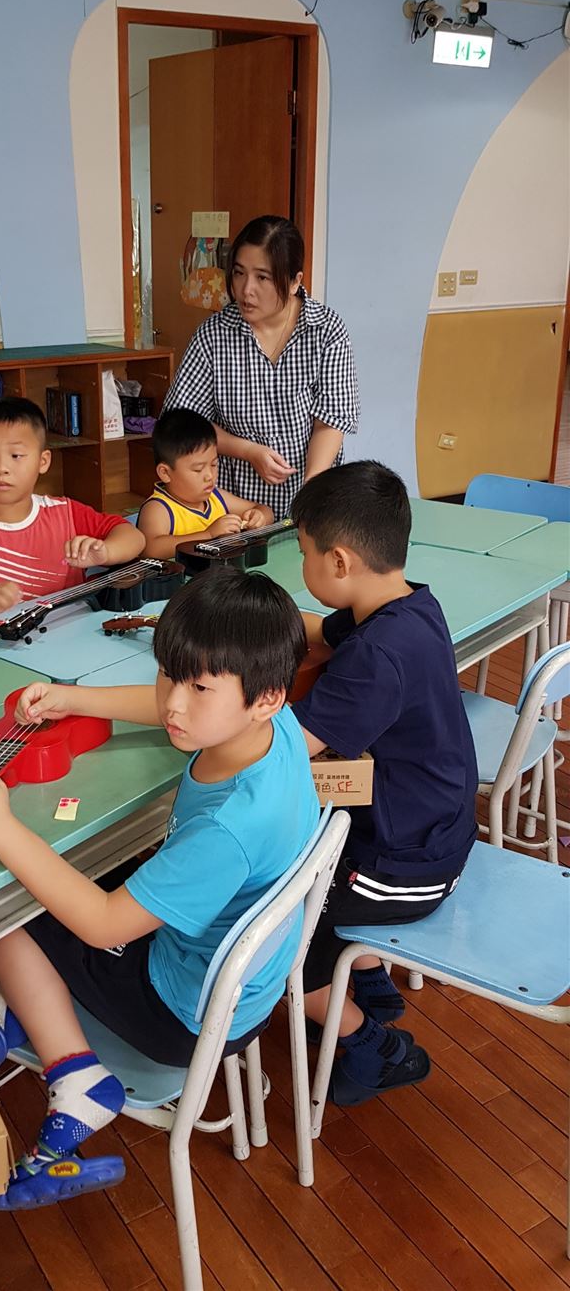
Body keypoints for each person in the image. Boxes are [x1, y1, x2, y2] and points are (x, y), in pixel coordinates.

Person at [0, 567, 319, 1210]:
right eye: (168, 675)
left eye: (199, 688)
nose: (173, 703)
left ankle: (77, 1082)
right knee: (64, 878)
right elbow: (172, 708)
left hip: (178, 1013)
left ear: (264, 698)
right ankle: (5, 1009)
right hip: (236, 983)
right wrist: (74, 700)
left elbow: (104, 924)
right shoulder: (272, 725)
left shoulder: (231, 827)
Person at [289, 461, 478, 1106]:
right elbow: (318, 633)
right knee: (305, 858)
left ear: (339, 560)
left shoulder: (375, 656)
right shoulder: (407, 607)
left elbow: (286, 751)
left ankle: (375, 1049)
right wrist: (248, 621)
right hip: (433, 830)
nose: (303, 567)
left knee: (276, 935)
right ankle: (367, 980)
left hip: (405, 866)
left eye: (304, 554)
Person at [162, 215, 359, 520]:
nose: (246, 290)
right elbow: (182, 422)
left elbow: (331, 421)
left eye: (263, 278)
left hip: (309, 498)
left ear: (294, 281)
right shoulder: (214, 335)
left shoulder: (326, 330)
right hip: (235, 508)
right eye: (239, 273)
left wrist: (312, 489)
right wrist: (248, 451)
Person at [0, 397, 145, 623]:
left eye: (16, 455)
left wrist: (106, 553)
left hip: (66, 639)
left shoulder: (66, 513)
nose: (1, 467)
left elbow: (133, 537)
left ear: (43, 461)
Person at [138, 407, 273, 560]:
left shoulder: (216, 497)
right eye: (198, 469)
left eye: (214, 464)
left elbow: (263, 509)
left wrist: (259, 517)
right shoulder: (158, 508)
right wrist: (208, 534)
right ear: (165, 473)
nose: (210, 476)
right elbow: (151, 549)